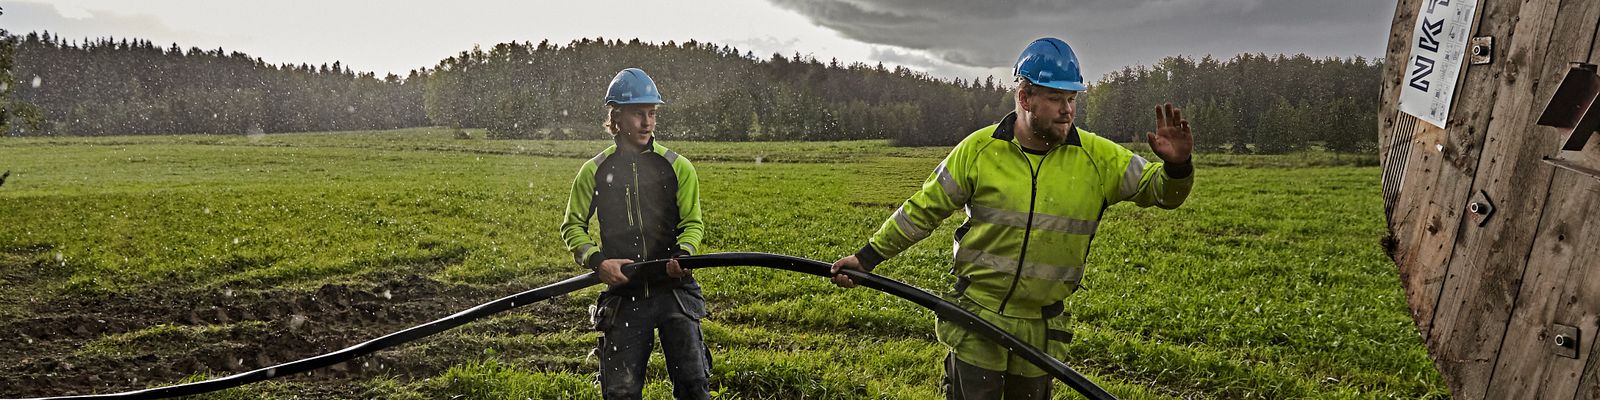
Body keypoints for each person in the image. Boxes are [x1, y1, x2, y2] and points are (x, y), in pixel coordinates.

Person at [829, 37, 1195, 399]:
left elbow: (1160, 192)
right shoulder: (978, 151)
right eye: (1055, 98)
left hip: (1041, 327)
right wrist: (866, 258)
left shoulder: (1099, 158)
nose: (1067, 110)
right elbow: (921, 211)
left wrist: (1177, 167)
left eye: (1071, 99)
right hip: (977, 320)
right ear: (1024, 98)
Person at [562, 67, 709, 400]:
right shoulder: (595, 171)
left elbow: (693, 222)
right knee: (621, 393)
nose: (647, 122)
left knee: (693, 387)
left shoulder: (677, 166)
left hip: (675, 291)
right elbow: (572, 227)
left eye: (652, 113)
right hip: (624, 296)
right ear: (616, 117)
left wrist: (683, 254)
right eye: (638, 114)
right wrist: (598, 262)